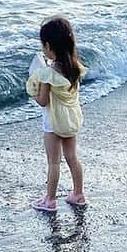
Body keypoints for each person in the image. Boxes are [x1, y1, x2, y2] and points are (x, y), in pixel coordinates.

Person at [26, 16, 87, 212]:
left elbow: (44, 101)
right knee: (72, 157)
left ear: (49, 46)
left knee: (53, 161)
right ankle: (78, 194)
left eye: (43, 46)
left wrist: (33, 93)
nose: (43, 49)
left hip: (53, 122)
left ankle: (49, 200)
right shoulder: (75, 66)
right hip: (71, 118)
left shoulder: (47, 73)